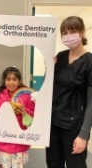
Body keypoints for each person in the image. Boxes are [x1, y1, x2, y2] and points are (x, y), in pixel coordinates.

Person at [46, 16, 92, 168]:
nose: (68, 36)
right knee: (53, 164)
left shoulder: (89, 62)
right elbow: (50, 88)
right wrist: (49, 69)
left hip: (74, 127)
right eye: (64, 33)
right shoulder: (60, 57)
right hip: (53, 124)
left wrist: (84, 135)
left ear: (82, 32)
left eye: (72, 31)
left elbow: (91, 102)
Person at [0, 66, 35, 168]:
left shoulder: (27, 97)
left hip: (20, 142)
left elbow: (32, 120)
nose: (11, 82)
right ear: (4, 81)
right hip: (2, 141)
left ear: (19, 80)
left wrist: (25, 113)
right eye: (8, 79)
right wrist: (2, 113)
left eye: (14, 79)